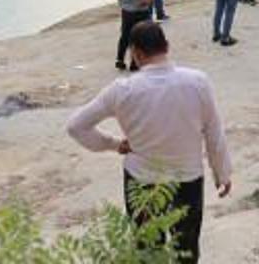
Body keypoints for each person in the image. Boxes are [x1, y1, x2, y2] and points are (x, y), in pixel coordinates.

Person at [66, 22, 231, 263]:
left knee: (148, 250)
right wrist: (222, 173)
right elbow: (214, 132)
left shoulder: (122, 90)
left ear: (136, 53)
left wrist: (113, 144)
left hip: (142, 182)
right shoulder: (198, 82)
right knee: (185, 250)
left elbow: (75, 126)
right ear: (167, 47)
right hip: (187, 179)